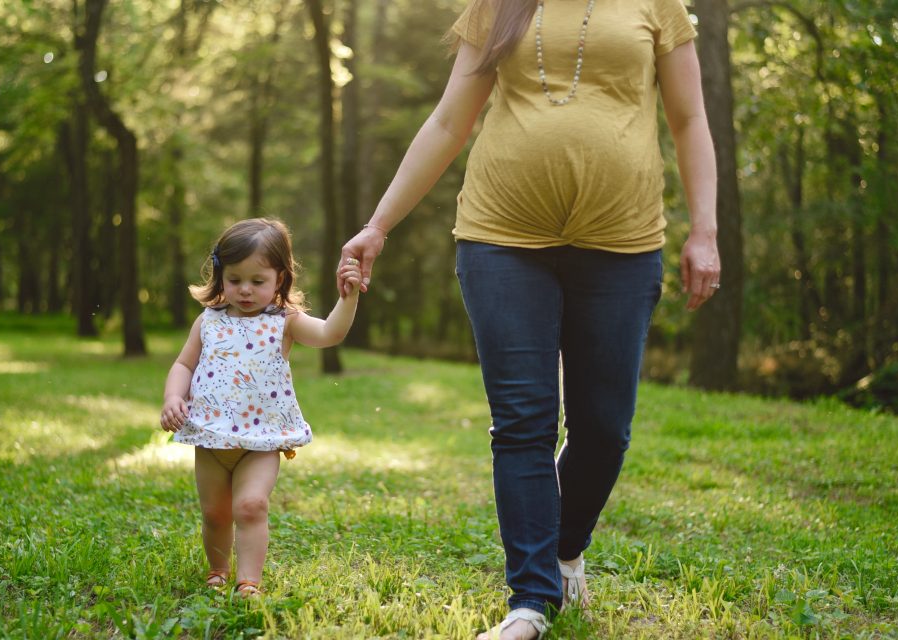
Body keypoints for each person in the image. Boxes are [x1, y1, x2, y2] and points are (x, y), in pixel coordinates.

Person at [340, 0, 720, 636]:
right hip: (500, 237)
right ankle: (531, 600)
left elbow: (689, 117)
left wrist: (704, 230)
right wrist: (378, 226)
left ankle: (564, 549)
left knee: (604, 427)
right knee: (523, 419)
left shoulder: (656, 6)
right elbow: (448, 121)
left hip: (622, 242)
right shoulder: (497, 5)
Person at [160, 218, 364, 597]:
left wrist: (347, 298)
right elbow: (183, 365)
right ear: (220, 276)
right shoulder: (209, 321)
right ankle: (218, 570)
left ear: (280, 279)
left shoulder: (285, 321)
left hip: (262, 440)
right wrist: (174, 397)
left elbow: (330, 334)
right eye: (235, 279)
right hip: (211, 437)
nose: (246, 290)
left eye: (258, 281)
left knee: (251, 506)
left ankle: (248, 581)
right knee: (215, 513)